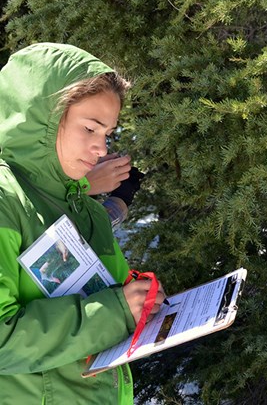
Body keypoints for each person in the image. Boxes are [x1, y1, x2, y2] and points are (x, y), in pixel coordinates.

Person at [0, 43, 166, 404]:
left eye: (107, 134)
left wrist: (138, 301)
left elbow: (102, 296)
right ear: (44, 117)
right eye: (90, 129)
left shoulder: (84, 208)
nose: (102, 148)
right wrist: (116, 311)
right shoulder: (5, 201)